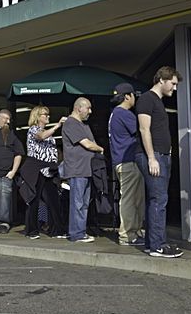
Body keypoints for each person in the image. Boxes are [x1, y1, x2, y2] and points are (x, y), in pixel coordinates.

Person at [135, 66, 183, 258]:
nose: (174, 88)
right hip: (153, 156)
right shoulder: (147, 99)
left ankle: (151, 243)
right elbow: (144, 129)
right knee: (159, 199)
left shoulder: (157, 101)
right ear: (161, 80)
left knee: (155, 199)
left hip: (161, 155)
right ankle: (158, 246)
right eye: (173, 83)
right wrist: (152, 158)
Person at [62, 97, 104, 243]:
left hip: (86, 169)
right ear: (79, 108)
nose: (90, 112)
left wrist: (95, 146)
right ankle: (76, 234)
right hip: (77, 169)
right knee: (78, 203)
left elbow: (91, 143)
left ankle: (80, 231)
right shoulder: (71, 123)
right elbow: (88, 144)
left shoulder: (83, 125)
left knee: (84, 203)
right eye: (88, 108)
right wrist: (101, 149)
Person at [108, 83, 145, 246]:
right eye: (133, 95)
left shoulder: (114, 113)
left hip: (120, 161)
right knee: (130, 199)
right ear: (127, 96)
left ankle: (134, 232)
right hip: (128, 161)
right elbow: (142, 130)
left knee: (133, 198)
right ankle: (127, 235)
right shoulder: (124, 113)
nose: (135, 98)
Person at [22, 106, 67, 240]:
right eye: (45, 114)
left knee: (54, 200)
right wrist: (58, 125)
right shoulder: (33, 130)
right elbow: (41, 136)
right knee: (34, 200)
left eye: (48, 114)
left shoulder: (49, 133)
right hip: (36, 168)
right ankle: (32, 230)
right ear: (37, 116)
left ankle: (57, 230)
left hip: (49, 169)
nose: (48, 116)